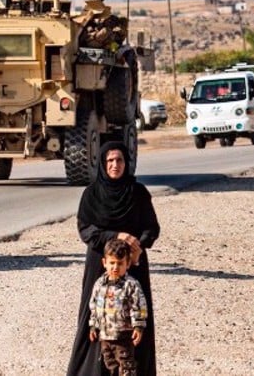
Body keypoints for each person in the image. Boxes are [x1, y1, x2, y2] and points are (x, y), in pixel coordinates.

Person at [68, 141, 160, 376]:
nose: (115, 165)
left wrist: (138, 245)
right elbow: (86, 230)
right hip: (101, 263)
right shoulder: (92, 193)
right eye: (109, 161)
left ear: (126, 163)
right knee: (96, 314)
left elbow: (151, 227)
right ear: (102, 164)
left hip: (134, 263)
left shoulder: (138, 193)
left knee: (135, 312)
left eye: (119, 160)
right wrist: (116, 236)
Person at [88, 238, 148, 376]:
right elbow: (94, 306)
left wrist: (138, 326)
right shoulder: (99, 284)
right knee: (110, 364)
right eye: (112, 263)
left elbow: (139, 306)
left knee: (126, 364)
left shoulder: (131, 285)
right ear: (105, 263)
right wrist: (93, 325)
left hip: (123, 335)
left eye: (120, 263)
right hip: (105, 335)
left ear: (127, 264)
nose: (115, 267)